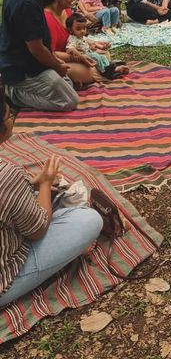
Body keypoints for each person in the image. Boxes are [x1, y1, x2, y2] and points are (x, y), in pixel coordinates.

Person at [0, 90, 103, 307]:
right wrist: (46, 183)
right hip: (5, 278)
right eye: (10, 115)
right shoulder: (6, 175)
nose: (12, 120)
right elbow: (38, 230)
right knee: (88, 220)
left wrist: (34, 186)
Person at [0, 0, 79, 111]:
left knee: (68, 84)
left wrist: (54, 61)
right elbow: (36, 48)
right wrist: (56, 65)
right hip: (22, 70)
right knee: (69, 101)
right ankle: (12, 92)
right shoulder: (24, 3)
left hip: (34, 62)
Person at [42, 0, 99, 87]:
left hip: (74, 51)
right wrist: (79, 57)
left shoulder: (67, 11)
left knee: (103, 55)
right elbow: (51, 54)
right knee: (88, 72)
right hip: (58, 61)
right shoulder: (47, 18)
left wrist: (91, 43)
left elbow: (74, 36)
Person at [65, 13, 128, 80]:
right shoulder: (73, 39)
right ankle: (105, 71)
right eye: (78, 29)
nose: (82, 31)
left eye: (84, 28)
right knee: (97, 57)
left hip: (89, 52)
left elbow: (88, 43)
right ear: (71, 30)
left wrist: (98, 45)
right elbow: (69, 48)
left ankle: (110, 67)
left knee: (102, 57)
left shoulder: (81, 37)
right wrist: (79, 54)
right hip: (85, 55)